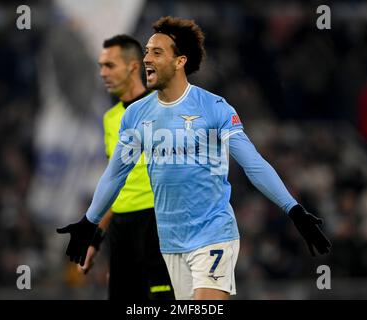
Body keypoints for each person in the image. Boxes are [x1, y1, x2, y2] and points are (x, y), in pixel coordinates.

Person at [57, 17, 331, 300]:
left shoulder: (214, 108)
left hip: (213, 234)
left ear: (180, 61)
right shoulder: (136, 116)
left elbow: (253, 164)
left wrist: (293, 210)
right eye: (147, 51)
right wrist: (89, 222)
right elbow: (115, 175)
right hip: (170, 242)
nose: (146, 58)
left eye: (157, 52)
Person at [74, 34, 174, 300]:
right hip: (122, 228)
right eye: (100, 66)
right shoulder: (110, 119)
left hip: (158, 222)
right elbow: (114, 183)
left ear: (132, 66)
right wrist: (95, 238)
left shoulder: (164, 106)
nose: (103, 73)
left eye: (110, 65)